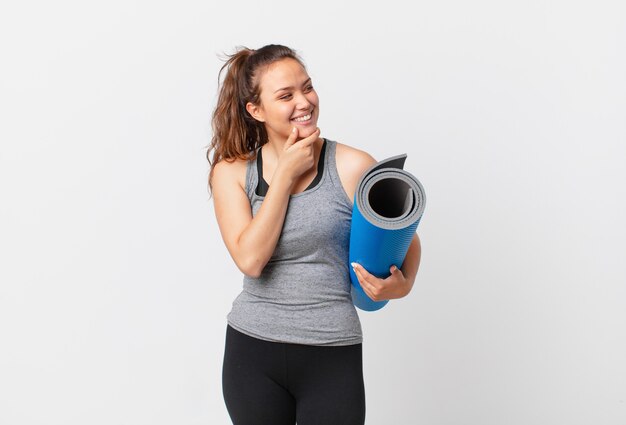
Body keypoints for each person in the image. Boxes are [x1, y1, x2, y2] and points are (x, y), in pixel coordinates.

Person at [206, 44, 422, 425]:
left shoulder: (352, 165)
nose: (304, 102)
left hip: (331, 351)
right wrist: (285, 176)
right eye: (286, 95)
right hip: (253, 354)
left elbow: (405, 235)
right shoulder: (233, 172)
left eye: (307, 88)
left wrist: (402, 285)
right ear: (255, 110)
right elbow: (251, 259)